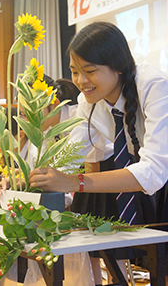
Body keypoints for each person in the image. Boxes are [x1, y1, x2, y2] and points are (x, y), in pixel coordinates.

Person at [23, 22, 168, 284]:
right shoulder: (88, 102)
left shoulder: (154, 86)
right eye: (74, 72)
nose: (80, 81)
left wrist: (74, 182)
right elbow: (70, 156)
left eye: (89, 71)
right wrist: (26, 187)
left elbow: (154, 171)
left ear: (119, 66)